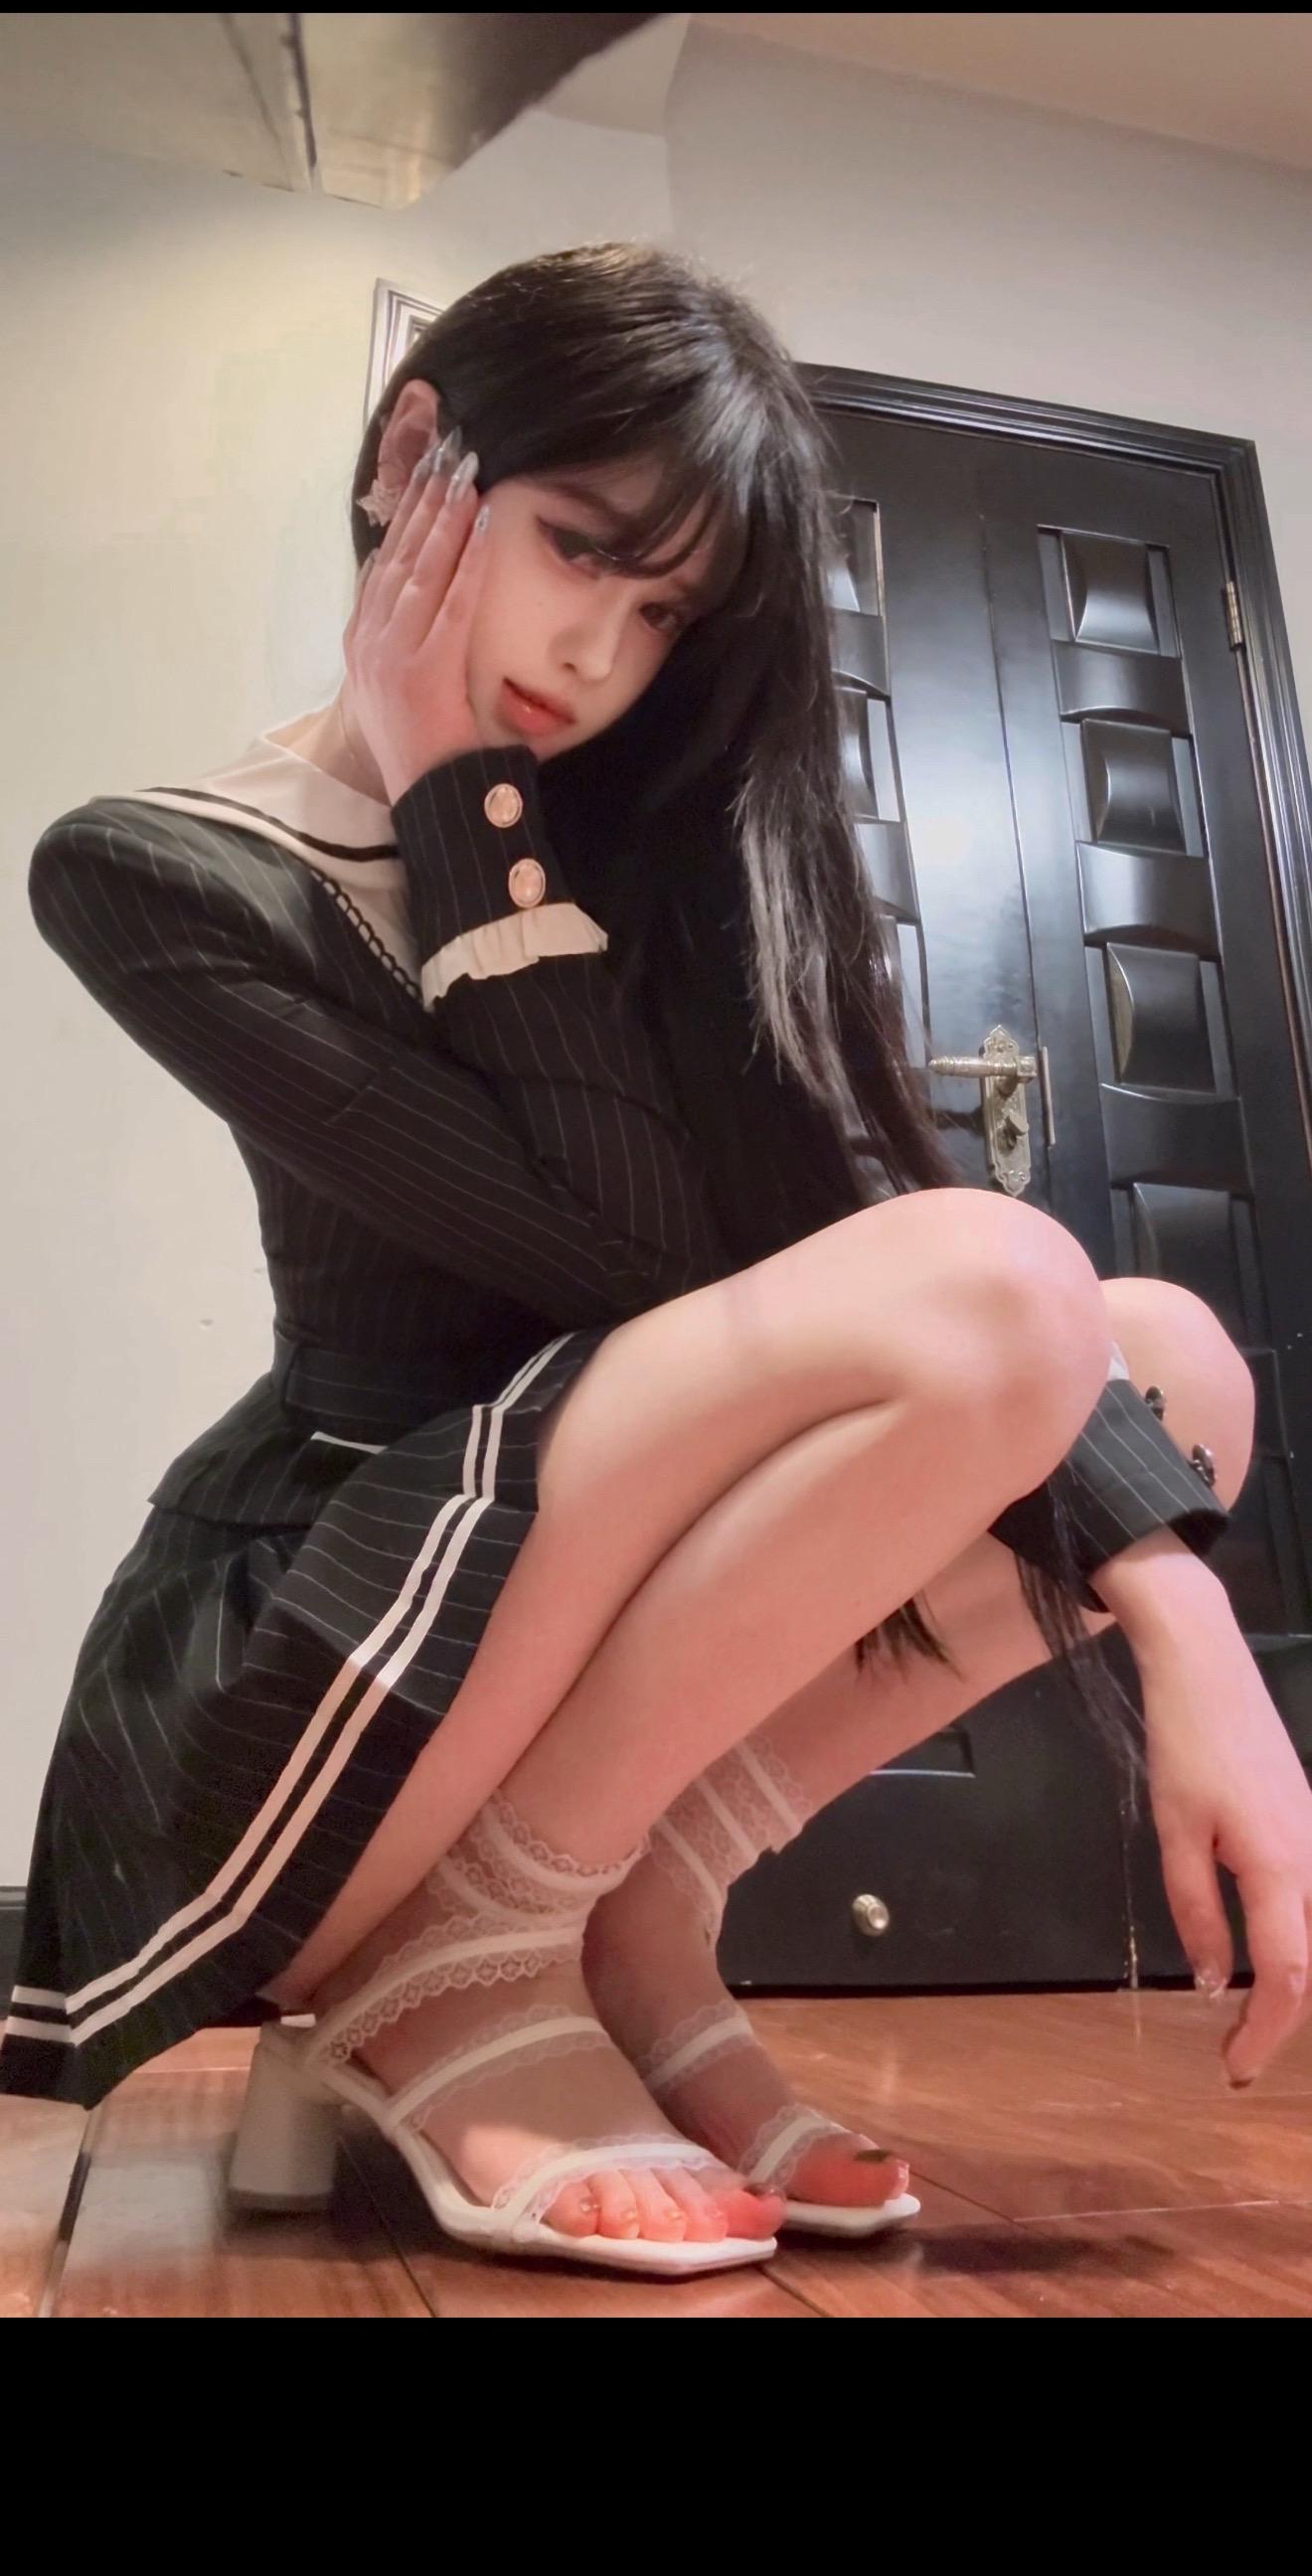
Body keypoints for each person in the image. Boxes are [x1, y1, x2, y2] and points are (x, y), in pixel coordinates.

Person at [4, 246, 1308, 2278]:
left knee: (1169, 1361)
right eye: (580, 547)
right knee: (1008, 1289)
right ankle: (459, 1952)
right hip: (344, 1637)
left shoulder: (653, 834)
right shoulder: (158, 871)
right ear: (412, 457)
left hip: (585, 1581)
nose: (602, 650)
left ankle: (624, 1918)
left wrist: (1181, 1607)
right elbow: (616, 1265)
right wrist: (455, 802)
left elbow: (813, 1249)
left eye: (666, 610)